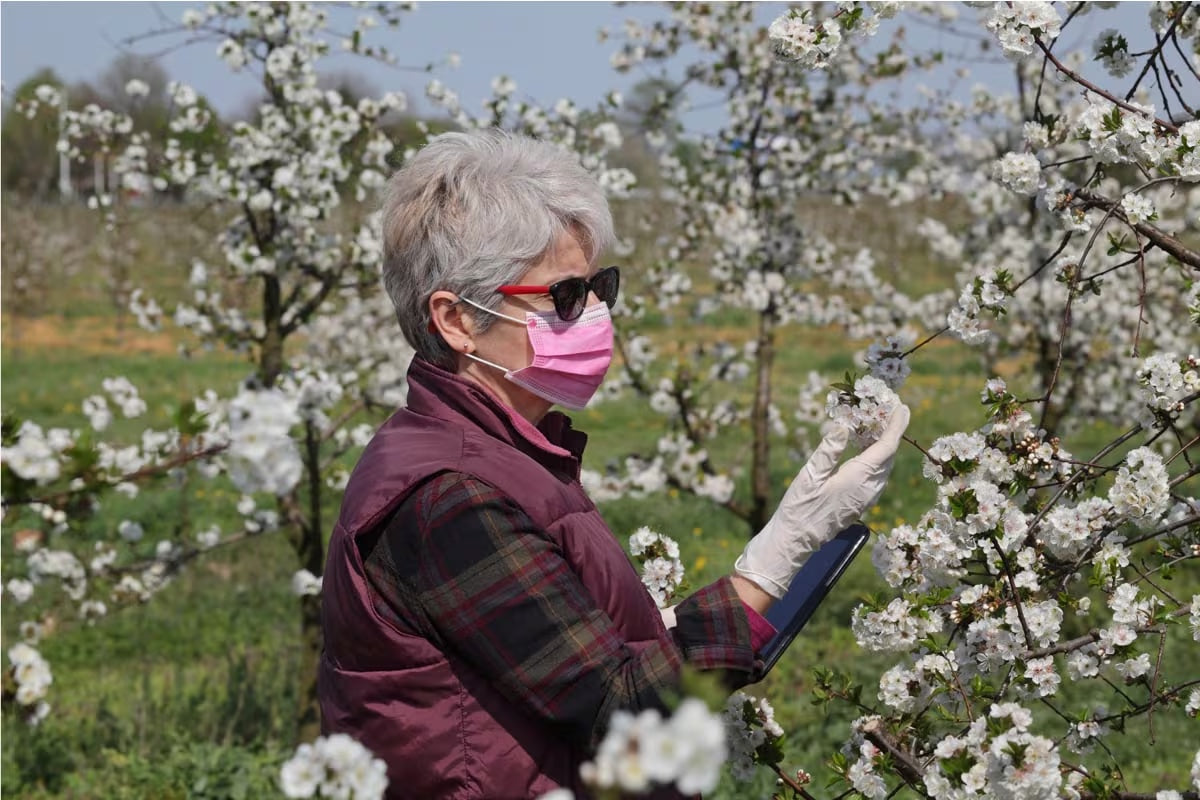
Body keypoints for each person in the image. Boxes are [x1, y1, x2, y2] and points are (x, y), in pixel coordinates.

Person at [318, 129, 910, 799]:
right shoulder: (447, 496)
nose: (596, 312)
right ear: (457, 320)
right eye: (564, 296)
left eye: (601, 286)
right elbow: (623, 714)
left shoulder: (506, 456)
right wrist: (781, 555)